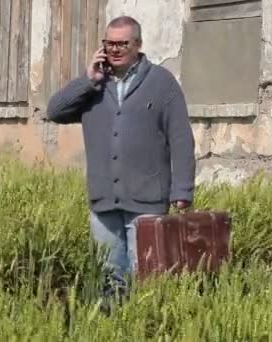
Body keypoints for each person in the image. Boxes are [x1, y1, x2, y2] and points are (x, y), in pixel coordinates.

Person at [46, 15, 195, 307]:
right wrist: (88, 81)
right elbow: (55, 111)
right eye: (109, 43)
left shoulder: (162, 83)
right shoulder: (94, 87)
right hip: (103, 203)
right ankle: (112, 331)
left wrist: (183, 190)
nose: (114, 50)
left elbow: (181, 138)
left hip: (147, 201)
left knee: (147, 278)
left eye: (121, 44)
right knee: (108, 279)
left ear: (137, 45)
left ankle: (143, 329)